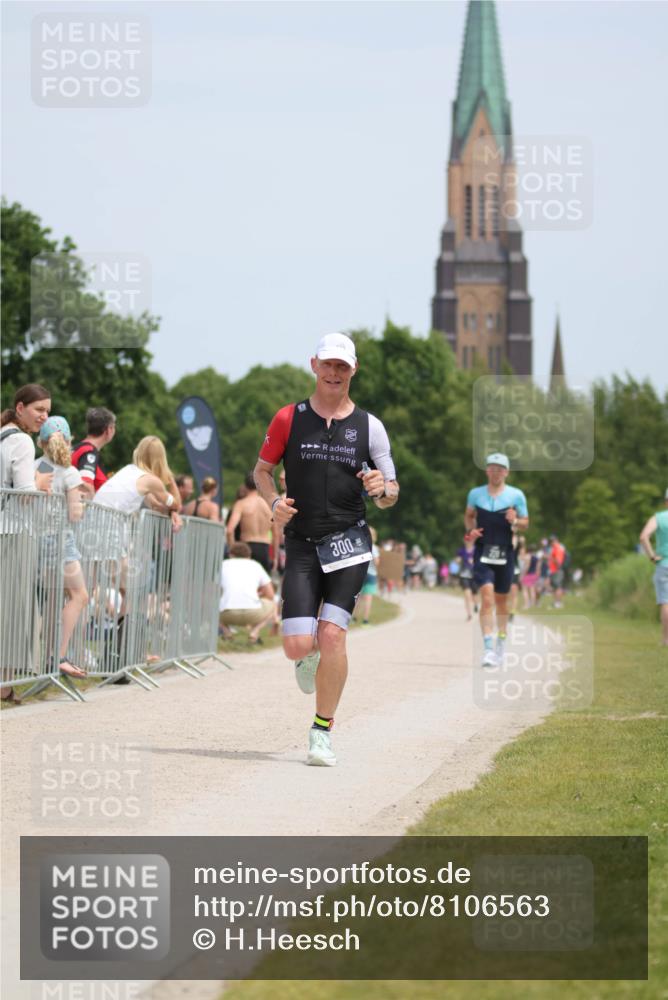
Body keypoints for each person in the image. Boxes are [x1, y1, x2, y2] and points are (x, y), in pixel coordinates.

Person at [254, 332, 399, 767]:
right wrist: (274, 503)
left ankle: (321, 731)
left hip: (350, 544)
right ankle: (308, 656)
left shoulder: (370, 426)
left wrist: (382, 488)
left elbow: (391, 489)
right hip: (301, 542)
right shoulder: (288, 419)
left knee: (333, 634)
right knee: (299, 645)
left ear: (354, 370)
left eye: (344, 366)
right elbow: (262, 472)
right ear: (314, 365)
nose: (335, 373)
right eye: (329, 365)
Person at [0, 384, 54, 701]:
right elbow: (23, 493)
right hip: (14, 531)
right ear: (20, 408)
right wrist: (40, 483)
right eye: (39, 410)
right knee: (13, 608)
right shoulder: (20, 440)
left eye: (47, 411)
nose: (43, 417)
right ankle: (4, 683)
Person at [35, 417, 88, 679]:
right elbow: (75, 514)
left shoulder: (35, 467)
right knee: (79, 596)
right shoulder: (69, 471)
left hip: (36, 540)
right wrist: (82, 502)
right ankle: (59, 656)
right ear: (68, 441)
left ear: (41, 442)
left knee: (51, 602)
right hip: (61, 540)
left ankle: (45, 658)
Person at [464, 453, 529, 667]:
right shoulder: (475, 494)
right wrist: (471, 531)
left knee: (502, 603)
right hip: (482, 551)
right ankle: (488, 649)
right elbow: (469, 516)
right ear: (487, 471)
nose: (496, 472)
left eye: (500, 469)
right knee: (487, 597)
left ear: (506, 472)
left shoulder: (516, 495)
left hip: (506, 552)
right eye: (492, 468)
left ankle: (501, 642)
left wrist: (516, 520)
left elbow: (526, 523)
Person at [219, 542, 277, 644]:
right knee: (273, 604)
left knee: (210, 606)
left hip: (226, 614)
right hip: (252, 614)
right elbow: (270, 595)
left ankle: (226, 632)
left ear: (230, 554)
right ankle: (254, 632)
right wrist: (258, 596)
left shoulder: (223, 565)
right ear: (249, 556)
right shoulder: (256, 565)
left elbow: (211, 590)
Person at [226, 472, 277, 574]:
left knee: (244, 584)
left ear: (245, 486)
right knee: (262, 586)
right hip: (264, 548)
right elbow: (276, 534)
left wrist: (232, 550)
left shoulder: (241, 504)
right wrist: (274, 557)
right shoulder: (269, 505)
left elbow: (229, 530)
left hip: (246, 547)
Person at [639, 488, 668, 647]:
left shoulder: (659, 518)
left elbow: (643, 537)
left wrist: (652, 556)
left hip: (664, 564)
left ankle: (666, 640)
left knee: (665, 602)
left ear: (666, 501)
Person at [71, 407, 116, 498]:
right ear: (108, 429)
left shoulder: (76, 448)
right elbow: (85, 486)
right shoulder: (89, 452)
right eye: (113, 427)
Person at [354, 525, 380, 624]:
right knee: (368, 598)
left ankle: (355, 617)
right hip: (371, 574)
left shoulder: (361, 545)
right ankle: (365, 620)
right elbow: (377, 563)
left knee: (358, 597)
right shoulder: (375, 548)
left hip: (361, 574)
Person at [457, 535, 478, 620]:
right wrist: (458, 560)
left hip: (474, 574)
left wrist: (474, 561)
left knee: (474, 594)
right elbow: (458, 559)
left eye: (469, 540)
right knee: (467, 595)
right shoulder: (461, 550)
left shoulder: (476, 549)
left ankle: (476, 604)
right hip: (464, 574)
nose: (468, 541)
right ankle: (469, 614)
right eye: (466, 540)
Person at [548, 534, 566, 609]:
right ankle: (556, 602)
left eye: (553, 541)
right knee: (555, 587)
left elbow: (558, 561)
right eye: (551, 541)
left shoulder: (558, 548)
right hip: (554, 570)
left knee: (558, 587)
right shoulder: (555, 548)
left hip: (557, 570)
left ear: (556, 540)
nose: (551, 542)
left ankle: (558, 603)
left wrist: (551, 558)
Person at [521, 545, 540, 609]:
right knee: (532, 590)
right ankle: (533, 604)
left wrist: (523, 574)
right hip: (534, 574)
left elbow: (527, 566)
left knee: (525, 590)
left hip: (528, 574)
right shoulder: (536, 557)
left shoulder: (527, 556)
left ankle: (526, 605)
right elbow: (538, 568)